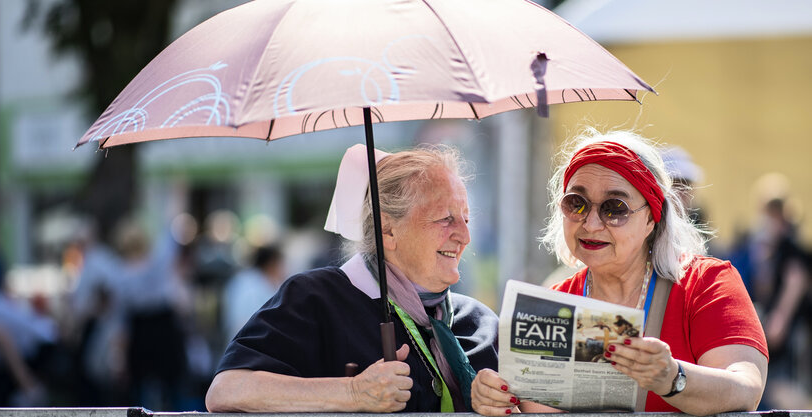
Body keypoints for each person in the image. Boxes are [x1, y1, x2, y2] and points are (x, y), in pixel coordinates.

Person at [471, 129, 768, 415]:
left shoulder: (706, 284)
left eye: (614, 208)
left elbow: (746, 388)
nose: (591, 224)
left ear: (653, 218)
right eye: (577, 204)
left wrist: (673, 378)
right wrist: (498, 398)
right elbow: (538, 410)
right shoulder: (553, 304)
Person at [205, 144, 498, 413]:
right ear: (388, 231)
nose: (465, 236)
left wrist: (506, 405)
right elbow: (226, 390)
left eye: (466, 219)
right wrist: (353, 393)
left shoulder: (480, 321)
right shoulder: (316, 299)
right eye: (445, 219)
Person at [222, 245, 286, 342]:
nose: (284, 270)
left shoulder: (255, 281)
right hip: (248, 345)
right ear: (271, 263)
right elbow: (243, 322)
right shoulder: (249, 285)